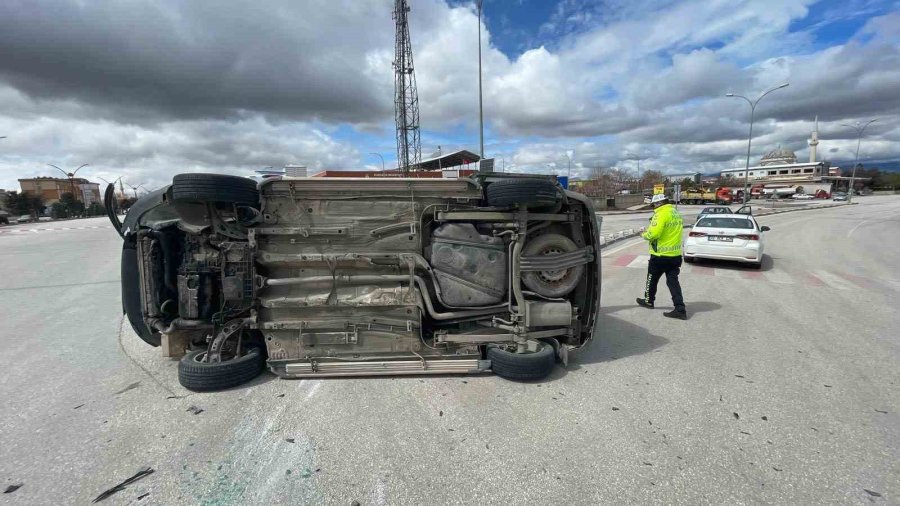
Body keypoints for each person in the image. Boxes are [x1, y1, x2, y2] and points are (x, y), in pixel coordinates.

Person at [636, 193, 687, 319]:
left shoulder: (660, 214)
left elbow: (653, 234)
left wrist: (643, 234)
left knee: (651, 279)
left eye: (654, 205)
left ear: (659, 203)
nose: (653, 207)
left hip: (660, 256)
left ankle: (649, 301)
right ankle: (680, 308)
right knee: (673, 282)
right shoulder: (675, 213)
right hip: (675, 255)